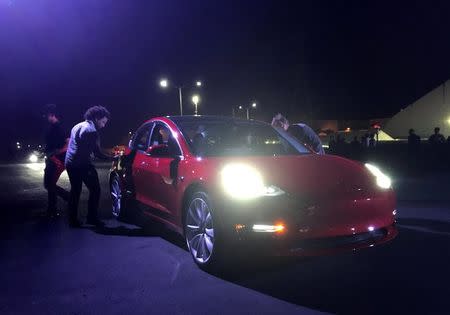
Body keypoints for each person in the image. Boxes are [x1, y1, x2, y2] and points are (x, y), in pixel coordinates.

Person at [65, 106, 111, 228]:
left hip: (70, 163)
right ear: (96, 118)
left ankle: (72, 220)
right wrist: (112, 158)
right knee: (95, 190)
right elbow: (97, 153)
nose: (103, 125)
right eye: (103, 122)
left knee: (75, 191)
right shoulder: (91, 131)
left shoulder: (77, 125)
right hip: (82, 164)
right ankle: (91, 218)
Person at [43, 104, 69, 218]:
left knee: (49, 184)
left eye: (47, 115)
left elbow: (68, 143)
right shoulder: (52, 127)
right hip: (51, 158)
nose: (46, 117)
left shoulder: (60, 127)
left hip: (56, 159)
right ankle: (53, 208)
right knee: (49, 184)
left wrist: (57, 153)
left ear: (52, 114)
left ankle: (53, 210)